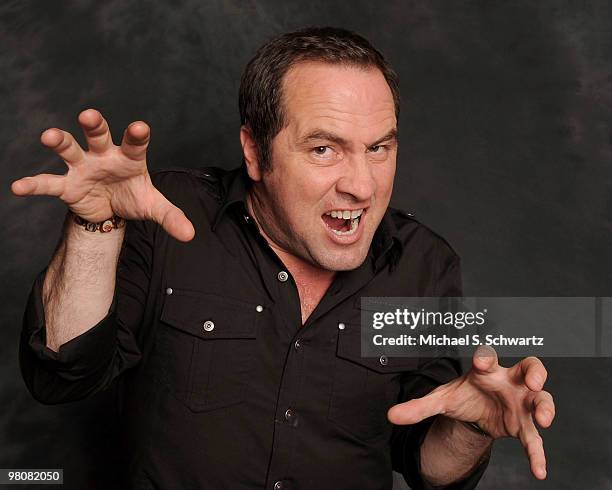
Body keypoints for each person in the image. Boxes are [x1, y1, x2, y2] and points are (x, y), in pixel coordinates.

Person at [11, 27, 554, 490]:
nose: (361, 185)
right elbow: (63, 375)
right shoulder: (165, 217)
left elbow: (424, 462)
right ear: (255, 152)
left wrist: (475, 428)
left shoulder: (424, 266)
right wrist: (94, 227)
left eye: (378, 148)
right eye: (324, 149)